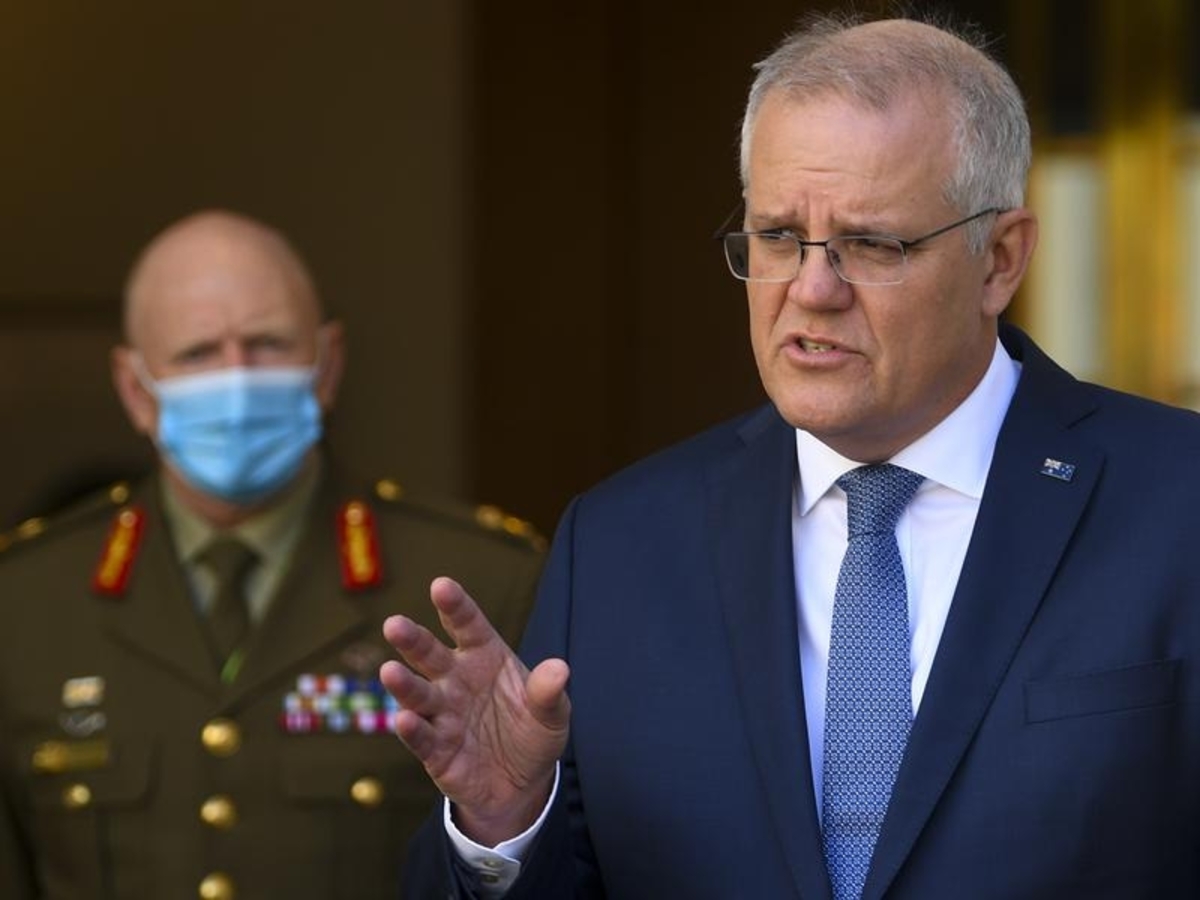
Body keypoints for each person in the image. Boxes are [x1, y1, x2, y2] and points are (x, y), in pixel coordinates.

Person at [380, 12, 1200, 900]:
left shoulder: (1176, 502)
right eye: (777, 237)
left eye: (871, 244)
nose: (811, 290)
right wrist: (504, 825)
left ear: (999, 259)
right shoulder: (619, 545)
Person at [0, 209, 544, 900]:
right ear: (136, 390)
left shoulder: (479, 587)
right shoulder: (24, 601)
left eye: (267, 344)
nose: (237, 379)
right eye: (198, 353)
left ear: (327, 365)